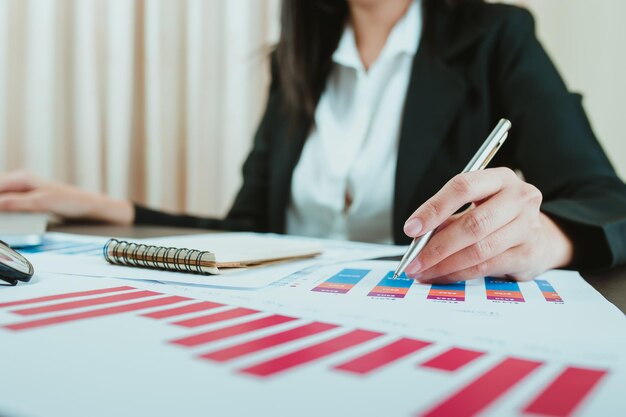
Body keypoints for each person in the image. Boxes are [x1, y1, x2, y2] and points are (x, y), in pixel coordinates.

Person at [1, 0, 625, 284]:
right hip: (291, 321)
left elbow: (608, 201)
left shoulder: (499, 36)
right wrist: (109, 209)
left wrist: (547, 236)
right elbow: (248, 229)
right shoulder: (297, 62)